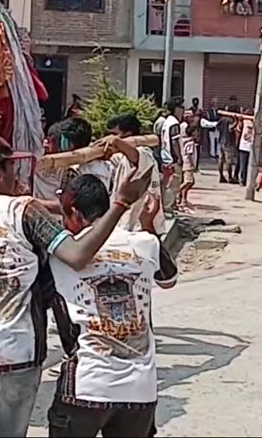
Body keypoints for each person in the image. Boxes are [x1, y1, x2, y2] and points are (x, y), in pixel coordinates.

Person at [0, 133, 149, 438]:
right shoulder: (24, 210)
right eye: (10, 168)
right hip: (16, 353)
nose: (15, 175)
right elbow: (77, 255)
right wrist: (120, 203)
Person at [46, 173, 177, 438]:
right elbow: (168, 279)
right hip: (140, 390)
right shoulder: (145, 243)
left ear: (75, 214)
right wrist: (148, 225)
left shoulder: (59, 256)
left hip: (85, 387)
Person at [103, 113, 164, 236]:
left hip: (141, 226)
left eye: (115, 134)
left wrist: (117, 142)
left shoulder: (144, 152)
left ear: (128, 135)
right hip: (126, 226)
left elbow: (136, 156)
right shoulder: (119, 157)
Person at [176, 122, 198, 212]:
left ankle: (183, 199)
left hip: (188, 164)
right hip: (188, 164)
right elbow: (189, 154)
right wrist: (192, 164)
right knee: (189, 181)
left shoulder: (186, 141)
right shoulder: (190, 142)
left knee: (190, 182)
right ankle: (177, 192)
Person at [237, 115, 254, 190]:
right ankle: (243, 180)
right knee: (244, 165)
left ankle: (246, 180)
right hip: (244, 146)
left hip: (251, 148)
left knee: (248, 165)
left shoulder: (257, 123)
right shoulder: (245, 122)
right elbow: (239, 129)